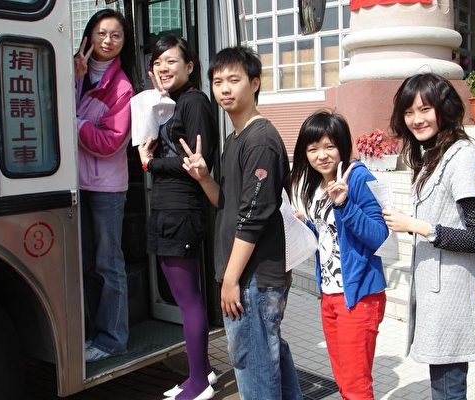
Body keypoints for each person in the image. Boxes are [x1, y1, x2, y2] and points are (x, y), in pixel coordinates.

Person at [179, 46, 303, 400]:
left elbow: (253, 217)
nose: (224, 89)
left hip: (254, 279)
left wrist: (231, 279)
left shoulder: (260, 140)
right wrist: (204, 178)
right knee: (270, 359)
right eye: (217, 81)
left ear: (255, 83)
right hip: (250, 277)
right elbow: (228, 203)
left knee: (255, 370)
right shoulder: (236, 138)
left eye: (234, 80)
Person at [382, 73, 475, 399]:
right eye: (409, 112)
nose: (416, 119)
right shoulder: (434, 155)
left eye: (425, 109)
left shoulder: (461, 157)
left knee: (448, 389)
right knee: (443, 385)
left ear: (444, 109)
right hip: (438, 293)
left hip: (452, 296)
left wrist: (418, 226)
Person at [136, 35, 219, 400]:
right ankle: (202, 371)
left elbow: (197, 161)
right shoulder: (172, 103)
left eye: (171, 61)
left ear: (189, 66)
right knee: (184, 294)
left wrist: (150, 163)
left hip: (181, 209)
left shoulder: (194, 101)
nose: (163, 68)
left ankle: (199, 383)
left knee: (188, 299)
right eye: (157, 63)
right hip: (170, 208)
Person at [289, 110, 389, 399]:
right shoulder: (318, 184)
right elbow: (332, 236)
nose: (321, 155)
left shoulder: (357, 177)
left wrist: (344, 204)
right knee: (344, 381)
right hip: (330, 294)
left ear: (342, 145)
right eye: (313, 149)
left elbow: (378, 235)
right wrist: (306, 224)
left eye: (329, 146)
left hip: (358, 296)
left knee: (356, 387)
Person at [74, 9, 135, 363]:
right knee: (86, 263)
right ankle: (97, 334)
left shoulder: (122, 86)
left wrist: (77, 124)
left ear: (124, 42)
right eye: (101, 33)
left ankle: (113, 339)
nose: (107, 41)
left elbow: (110, 141)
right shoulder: (75, 72)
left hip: (107, 187)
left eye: (115, 35)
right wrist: (75, 79)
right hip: (76, 182)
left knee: (108, 263)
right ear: (89, 36)